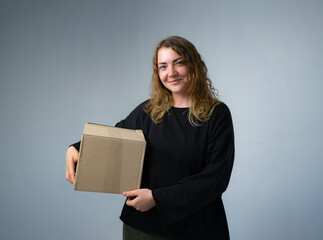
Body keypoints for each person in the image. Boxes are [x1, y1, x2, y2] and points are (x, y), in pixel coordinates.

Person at [65, 36, 235, 240]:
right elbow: (114, 140)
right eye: (163, 66)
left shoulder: (216, 114)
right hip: (142, 228)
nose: (171, 73)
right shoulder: (148, 111)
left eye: (178, 63)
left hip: (198, 228)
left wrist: (157, 198)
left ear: (193, 65)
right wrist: (76, 148)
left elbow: (216, 178)